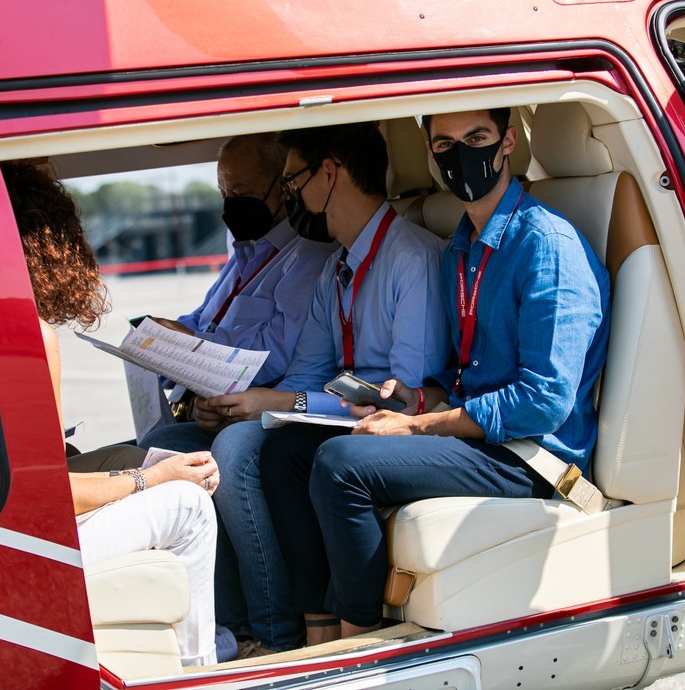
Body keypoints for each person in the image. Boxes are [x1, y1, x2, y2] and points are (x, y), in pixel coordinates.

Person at [260, 108, 610, 643]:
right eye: (445, 145)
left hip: (531, 454)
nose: (461, 154)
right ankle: (318, 634)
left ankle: (357, 650)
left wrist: (419, 426)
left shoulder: (546, 245)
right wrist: (419, 397)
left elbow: (544, 400)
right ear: (430, 155)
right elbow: (471, 367)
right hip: (482, 437)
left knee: (342, 463)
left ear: (509, 141)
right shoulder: (464, 247)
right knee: (287, 452)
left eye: (477, 138)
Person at [185, 121, 448, 656]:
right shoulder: (337, 267)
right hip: (344, 411)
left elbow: (404, 397)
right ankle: (282, 631)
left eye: (293, 183)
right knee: (248, 440)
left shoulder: (412, 259)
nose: (289, 198)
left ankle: (282, 636)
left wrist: (279, 403)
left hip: (391, 422)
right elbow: (308, 372)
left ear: (330, 174)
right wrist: (255, 405)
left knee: (262, 450)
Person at [1, 161, 223, 667]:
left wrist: (137, 465)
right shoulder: (31, 336)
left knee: (137, 453)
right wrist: (154, 479)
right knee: (188, 505)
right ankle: (197, 668)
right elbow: (49, 494)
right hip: (20, 553)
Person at [129, 133, 335, 443]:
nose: (230, 204)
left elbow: (276, 354)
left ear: (283, 189)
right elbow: (204, 318)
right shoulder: (245, 254)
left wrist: (192, 344)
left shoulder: (309, 256)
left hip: (247, 415)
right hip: (195, 410)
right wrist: (161, 339)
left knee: (147, 450)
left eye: (241, 192)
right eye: (224, 192)